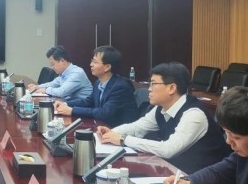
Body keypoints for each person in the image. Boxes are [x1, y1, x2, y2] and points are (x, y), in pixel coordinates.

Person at [96, 62, 230, 174]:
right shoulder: (161, 108)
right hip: (178, 174)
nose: (149, 89)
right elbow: (137, 127)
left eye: (153, 84)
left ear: (171, 88)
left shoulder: (194, 115)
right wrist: (111, 133)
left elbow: (168, 150)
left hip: (207, 183)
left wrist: (123, 139)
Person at [53, 46, 138, 127]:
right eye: (92, 61)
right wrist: (66, 103)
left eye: (95, 62)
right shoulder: (98, 83)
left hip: (118, 131)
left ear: (107, 67)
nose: (91, 64)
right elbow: (88, 102)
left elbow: (105, 113)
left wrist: (72, 110)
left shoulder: (120, 87)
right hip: (102, 125)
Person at [27, 45, 91, 102]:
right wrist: (37, 87)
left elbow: (61, 92)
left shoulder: (77, 73)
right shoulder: (64, 73)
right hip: (71, 104)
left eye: (53, 64)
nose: (52, 67)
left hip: (83, 107)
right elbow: (52, 84)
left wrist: (45, 90)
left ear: (62, 61)